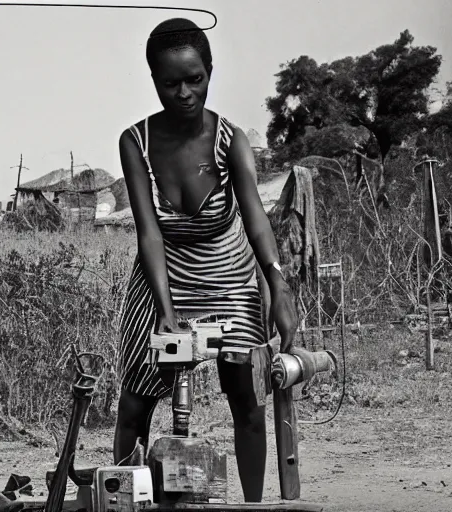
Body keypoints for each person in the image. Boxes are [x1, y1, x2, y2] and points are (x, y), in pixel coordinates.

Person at [113, 17, 298, 503]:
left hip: (229, 272)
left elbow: (256, 217)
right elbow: (149, 234)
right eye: (170, 83)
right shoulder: (137, 142)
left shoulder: (229, 138)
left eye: (195, 79)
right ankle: (126, 498)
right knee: (136, 398)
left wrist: (277, 282)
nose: (184, 93)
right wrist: (166, 311)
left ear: (210, 72)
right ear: (154, 80)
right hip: (164, 271)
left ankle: (253, 503)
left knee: (247, 398)